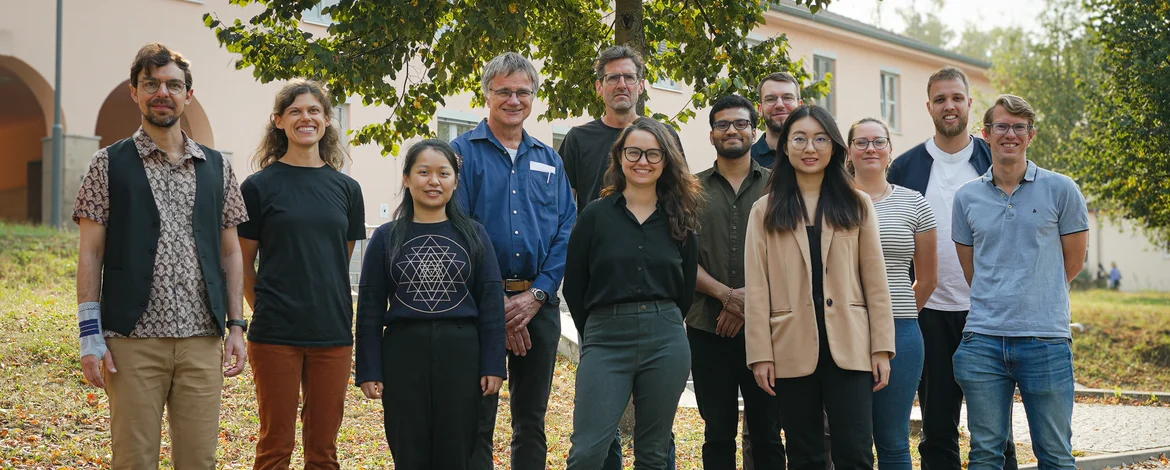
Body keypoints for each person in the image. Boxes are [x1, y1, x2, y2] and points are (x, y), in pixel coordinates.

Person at [72, 42, 248, 468]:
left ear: (189, 94)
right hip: (132, 342)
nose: (162, 93)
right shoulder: (107, 163)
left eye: (173, 84)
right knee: (133, 460)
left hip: (201, 340)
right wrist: (89, 335)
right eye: (150, 84)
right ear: (135, 91)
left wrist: (237, 326)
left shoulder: (218, 167)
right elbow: (91, 254)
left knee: (199, 461)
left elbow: (231, 253)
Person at [744, 105, 895, 470]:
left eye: (819, 139)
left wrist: (882, 348)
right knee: (804, 453)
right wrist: (760, 354)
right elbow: (757, 288)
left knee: (855, 452)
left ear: (833, 147)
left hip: (851, 345)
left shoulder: (857, 203)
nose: (809, 148)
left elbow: (876, 281)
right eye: (799, 138)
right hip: (791, 346)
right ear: (785, 147)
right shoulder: (765, 210)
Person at [886, 66, 1017, 470]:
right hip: (926, 311)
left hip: (987, 313)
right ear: (929, 106)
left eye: (957, 98)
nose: (949, 106)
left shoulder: (994, 158)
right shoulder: (905, 167)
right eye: (941, 99)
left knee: (995, 430)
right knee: (938, 428)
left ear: (969, 104)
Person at [557, 44, 679, 469]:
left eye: (629, 77)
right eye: (613, 77)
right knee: (593, 442)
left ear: (642, 85)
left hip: (658, 308)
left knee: (656, 446)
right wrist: (593, 321)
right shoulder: (578, 140)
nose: (622, 84)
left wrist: (665, 315)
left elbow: (684, 256)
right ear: (600, 87)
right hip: (603, 300)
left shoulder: (665, 137)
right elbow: (563, 211)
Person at [952, 94, 1089, 470]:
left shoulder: (1062, 189)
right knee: (984, 455)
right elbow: (971, 270)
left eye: (1018, 127)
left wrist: (1034, 292)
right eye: (1001, 126)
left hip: (1045, 341)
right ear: (986, 133)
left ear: (1031, 135)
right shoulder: (966, 198)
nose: (1009, 134)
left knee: (1056, 456)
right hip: (982, 342)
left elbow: (1072, 263)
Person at [455, 52, 576, 470]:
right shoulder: (460, 154)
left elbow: (566, 229)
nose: (513, 99)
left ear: (533, 97)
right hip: (477, 309)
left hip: (537, 307)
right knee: (476, 420)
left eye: (522, 91)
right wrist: (497, 307)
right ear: (487, 94)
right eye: (503, 90)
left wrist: (536, 295)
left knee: (531, 420)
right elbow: (459, 230)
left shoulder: (550, 158)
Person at [236, 79, 366, 469]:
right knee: (275, 448)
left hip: (333, 332)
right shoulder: (258, 187)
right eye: (294, 111)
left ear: (327, 120)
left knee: (323, 452)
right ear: (278, 121)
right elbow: (242, 265)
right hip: (275, 334)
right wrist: (266, 308)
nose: (305, 118)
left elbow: (336, 261)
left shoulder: (347, 189)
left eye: (314, 111)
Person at [355, 139, 507, 469]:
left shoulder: (474, 235)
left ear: (455, 181)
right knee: (408, 447)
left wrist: (494, 364)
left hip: (461, 353)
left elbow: (492, 306)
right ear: (407, 179)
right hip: (402, 353)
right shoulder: (385, 237)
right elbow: (369, 309)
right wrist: (369, 369)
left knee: (458, 448)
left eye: (443, 173)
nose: (433, 181)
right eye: (423, 172)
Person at [563, 117, 702, 469]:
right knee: (587, 452)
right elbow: (576, 284)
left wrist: (663, 321)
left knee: (653, 454)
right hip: (606, 340)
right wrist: (596, 330)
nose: (643, 161)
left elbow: (685, 288)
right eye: (634, 152)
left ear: (666, 160)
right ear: (620, 157)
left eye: (653, 154)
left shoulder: (680, 217)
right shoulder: (595, 216)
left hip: (665, 339)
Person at [689, 95, 786, 470]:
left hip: (768, 329)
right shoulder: (690, 189)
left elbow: (789, 257)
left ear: (754, 130)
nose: (732, 130)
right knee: (717, 432)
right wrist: (728, 296)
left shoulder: (778, 187)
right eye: (723, 124)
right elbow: (681, 259)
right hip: (705, 328)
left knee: (768, 431)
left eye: (741, 123)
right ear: (711, 135)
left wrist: (749, 306)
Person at [847, 118, 939, 470]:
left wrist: (893, 318)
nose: (870, 148)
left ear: (890, 151)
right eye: (861, 142)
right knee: (849, 440)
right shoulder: (832, 201)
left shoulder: (914, 203)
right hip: (845, 329)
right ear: (849, 152)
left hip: (902, 332)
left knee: (893, 440)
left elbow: (928, 278)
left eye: (878, 141)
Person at [751, 72, 804, 169]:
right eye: (770, 99)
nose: (779, 105)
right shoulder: (746, 161)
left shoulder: (814, 156)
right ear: (760, 109)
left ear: (800, 106)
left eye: (787, 98)